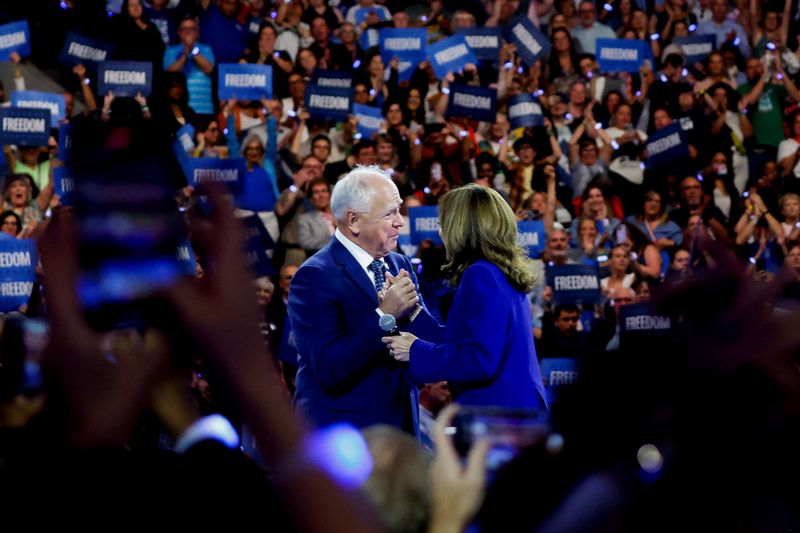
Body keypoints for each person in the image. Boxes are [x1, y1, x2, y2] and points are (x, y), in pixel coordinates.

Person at [287, 166, 442, 433]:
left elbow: (430, 345)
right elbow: (330, 368)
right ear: (354, 221)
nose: (400, 221)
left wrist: (415, 314)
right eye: (389, 213)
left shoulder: (399, 263)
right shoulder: (313, 276)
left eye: (399, 209)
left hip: (400, 429)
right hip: (345, 437)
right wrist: (385, 316)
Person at [383, 184, 548, 410]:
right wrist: (413, 312)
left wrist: (415, 350)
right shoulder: (499, 271)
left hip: (499, 415)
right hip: (515, 408)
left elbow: (479, 360)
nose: (441, 233)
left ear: (462, 227)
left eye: (445, 223)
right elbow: (463, 341)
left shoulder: (480, 275)